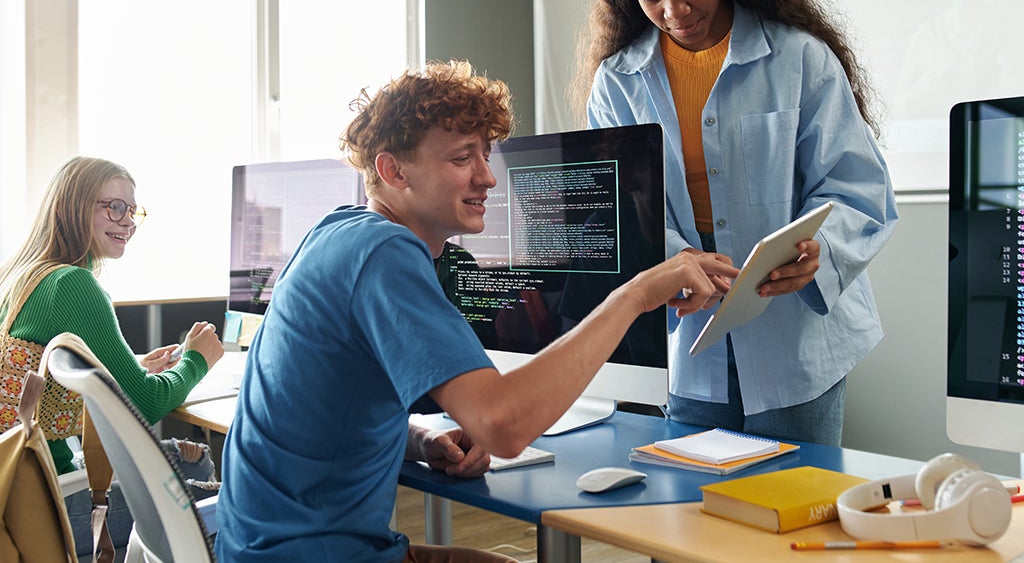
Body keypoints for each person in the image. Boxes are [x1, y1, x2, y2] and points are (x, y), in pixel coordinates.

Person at [215, 60, 737, 562]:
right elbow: (503, 429)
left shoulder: (338, 230)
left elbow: (323, 407)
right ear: (393, 170)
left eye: (487, 155)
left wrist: (420, 438)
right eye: (463, 158)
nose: (488, 178)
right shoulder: (385, 254)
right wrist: (634, 296)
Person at [572, 0, 898, 446]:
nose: (674, 11)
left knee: (794, 508)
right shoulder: (617, 81)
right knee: (693, 518)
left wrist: (818, 256)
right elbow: (621, 209)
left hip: (795, 337)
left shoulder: (799, 57)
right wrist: (676, 261)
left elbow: (857, 187)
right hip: (689, 331)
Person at [0, 156, 225, 551]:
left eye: (131, 210)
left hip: (17, 479)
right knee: (210, 484)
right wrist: (197, 360)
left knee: (190, 460)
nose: (128, 222)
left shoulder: (22, 275)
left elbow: (38, 364)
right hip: (44, 497)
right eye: (114, 207)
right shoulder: (73, 284)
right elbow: (147, 403)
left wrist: (129, 364)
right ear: (72, 207)